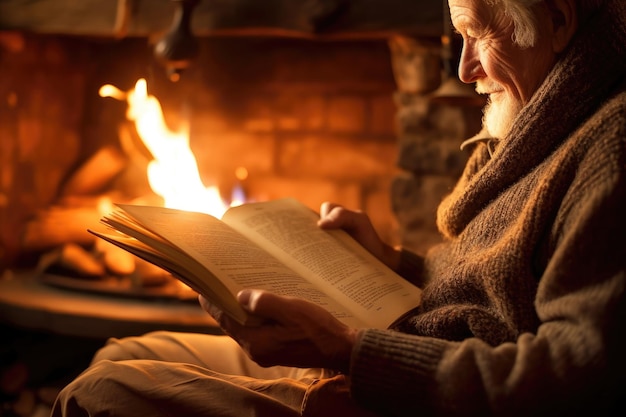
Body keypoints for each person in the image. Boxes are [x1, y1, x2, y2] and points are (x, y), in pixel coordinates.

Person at [52, 0, 625, 416]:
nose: (464, 69)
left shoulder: (609, 151)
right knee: (125, 351)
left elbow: (575, 380)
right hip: (397, 349)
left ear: (556, 19)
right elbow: (499, 291)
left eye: (479, 34)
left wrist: (352, 352)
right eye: (459, 37)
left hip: (404, 387)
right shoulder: (545, 114)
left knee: (98, 397)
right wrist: (394, 264)